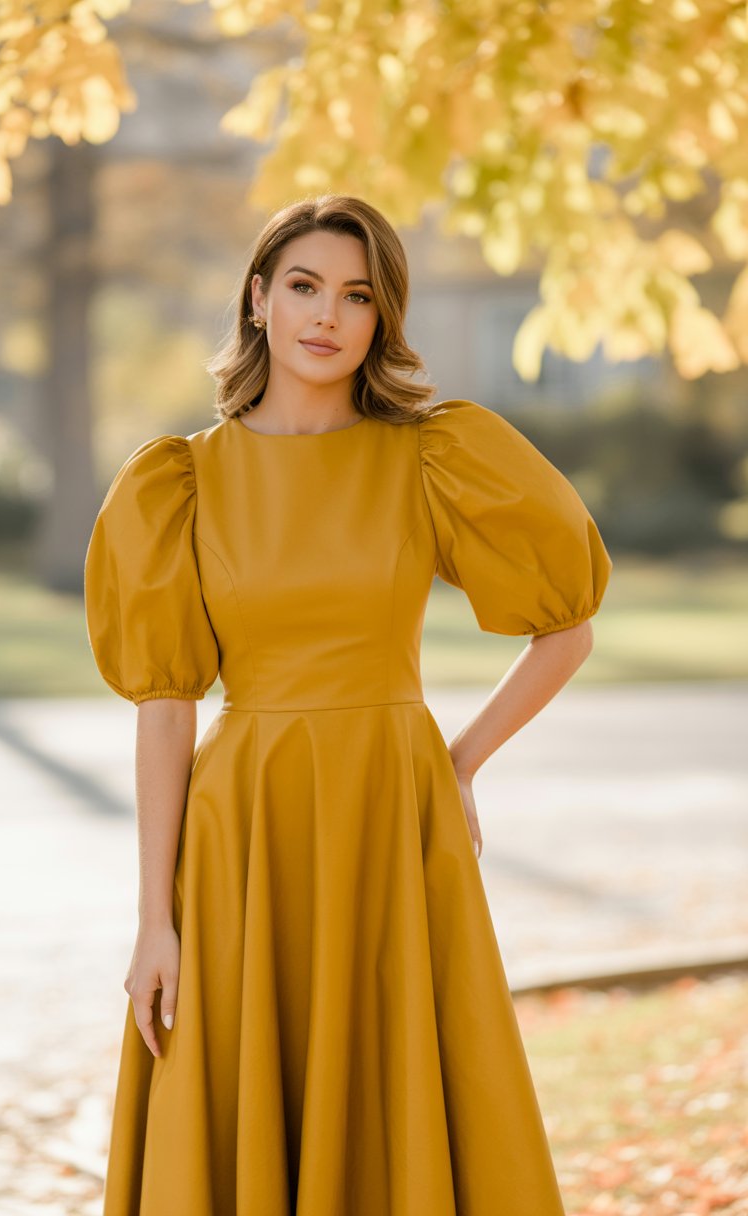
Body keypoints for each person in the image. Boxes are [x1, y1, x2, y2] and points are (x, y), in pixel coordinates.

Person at [84, 193, 612, 1216]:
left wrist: (458, 761)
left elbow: (568, 626)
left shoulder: (429, 456)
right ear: (258, 301)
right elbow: (163, 705)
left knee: (395, 1084)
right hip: (244, 828)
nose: (327, 315)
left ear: (382, 319)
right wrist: (155, 917)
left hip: (392, 809)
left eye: (356, 295)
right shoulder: (178, 483)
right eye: (303, 286)